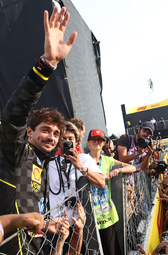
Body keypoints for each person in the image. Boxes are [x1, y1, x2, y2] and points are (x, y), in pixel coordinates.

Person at [0, 6, 77, 254]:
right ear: (29, 132)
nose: (51, 137)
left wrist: (49, 224)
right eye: (45, 130)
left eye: (56, 134)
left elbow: (30, 210)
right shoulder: (16, 153)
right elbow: (14, 117)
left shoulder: (42, 163)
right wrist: (47, 65)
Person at [48, 122, 105, 254]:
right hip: (55, 225)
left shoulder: (84, 159)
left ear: (77, 141)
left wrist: (80, 167)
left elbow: (101, 182)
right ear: (58, 141)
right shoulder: (49, 162)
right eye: (63, 138)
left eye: (70, 139)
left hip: (76, 222)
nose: (67, 142)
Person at [87, 129, 136, 255]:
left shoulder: (108, 160)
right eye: (94, 139)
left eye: (100, 140)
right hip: (89, 218)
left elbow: (132, 167)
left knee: (111, 251)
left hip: (106, 215)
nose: (97, 142)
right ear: (88, 142)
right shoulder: (83, 160)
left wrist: (118, 170)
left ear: (104, 144)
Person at [116, 121, 154, 218]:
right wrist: (137, 154)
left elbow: (143, 167)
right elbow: (122, 159)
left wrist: (149, 155)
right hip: (116, 180)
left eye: (148, 133)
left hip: (129, 183)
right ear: (139, 129)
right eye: (144, 131)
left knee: (128, 213)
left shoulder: (145, 146)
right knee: (119, 212)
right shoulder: (126, 139)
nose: (146, 134)